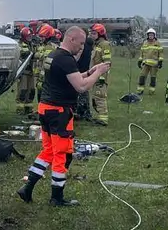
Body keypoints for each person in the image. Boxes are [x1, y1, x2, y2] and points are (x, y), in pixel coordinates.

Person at [18, 26, 110, 207]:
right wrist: (98, 73)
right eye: (81, 43)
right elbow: (81, 87)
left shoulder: (53, 56)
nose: (82, 47)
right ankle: (56, 197)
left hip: (45, 108)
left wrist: (90, 72)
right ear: (71, 39)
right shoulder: (66, 59)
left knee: (48, 151)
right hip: (59, 112)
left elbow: (72, 78)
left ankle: (27, 188)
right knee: (62, 154)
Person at [89, 24, 112, 125]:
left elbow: (107, 63)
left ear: (100, 34)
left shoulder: (105, 44)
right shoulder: (96, 44)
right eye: (91, 33)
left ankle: (103, 119)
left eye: (94, 33)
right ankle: (99, 117)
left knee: (100, 96)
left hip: (101, 76)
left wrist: (102, 77)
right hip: (95, 75)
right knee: (95, 98)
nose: (91, 35)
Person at [15, 27, 37, 116]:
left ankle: (29, 108)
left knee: (31, 91)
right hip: (23, 71)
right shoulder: (19, 45)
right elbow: (21, 54)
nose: (30, 38)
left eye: (30, 36)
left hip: (32, 71)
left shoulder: (32, 44)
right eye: (28, 36)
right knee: (22, 91)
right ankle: (20, 109)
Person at [137, 28, 163, 94]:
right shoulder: (145, 43)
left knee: (153, 78)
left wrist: (160, 61)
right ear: (147, 35)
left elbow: (161, 53)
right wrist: (140, 60)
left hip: (154, 65)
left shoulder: (158, 43)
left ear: (154, 35)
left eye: (152, 35)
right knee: (142, 76)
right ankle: (140, 90)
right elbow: (141, 52)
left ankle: (151, 91)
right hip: (145, 64)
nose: (150, 36)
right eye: (149, 35)